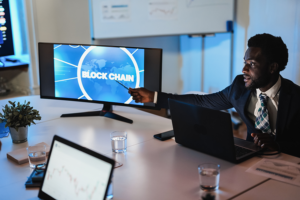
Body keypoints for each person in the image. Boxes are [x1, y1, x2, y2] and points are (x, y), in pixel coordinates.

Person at [129, 33, 300, 158]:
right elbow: (201, 101)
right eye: (245, 62)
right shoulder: (239, 87)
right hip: (251, 159)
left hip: (288, 164)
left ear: (272, 68)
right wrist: (154, 97)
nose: (244, 70)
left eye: (252, 64)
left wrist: (278, 145)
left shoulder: (296, 98)